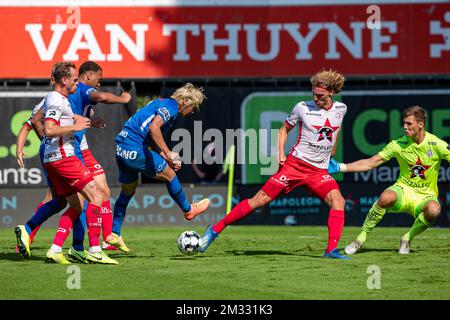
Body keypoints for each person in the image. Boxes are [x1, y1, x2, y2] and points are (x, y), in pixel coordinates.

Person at [199, 69, 350, 259]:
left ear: (331, 92)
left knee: (338, 201)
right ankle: (214, 230)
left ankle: (331, 251)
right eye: (313, 93)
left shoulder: (341, 109)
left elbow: (335, 131)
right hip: (294, 166)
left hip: (318, 172)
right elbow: (283, 130)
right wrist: (280, 154)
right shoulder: (302, 107)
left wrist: (331, 152)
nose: (315, 98)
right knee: (258, 201)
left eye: (319, 95)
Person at [15, 62, 117, 265]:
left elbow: (36, 120)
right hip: (64, 157)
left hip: (53, 158)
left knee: (71, 203)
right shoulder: (55, 100)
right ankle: (94, 249)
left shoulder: (55, 99)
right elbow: (49, 129)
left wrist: (86, 121)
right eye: (74, 79)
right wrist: (74, 127)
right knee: (96, 195)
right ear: (64, 80)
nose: (76, 82)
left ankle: (43, 240)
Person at [328, 105, 450, 255]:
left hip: (426, 195)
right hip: (403, 190)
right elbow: (371, 162)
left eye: (409, 124)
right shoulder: (398, 144)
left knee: (433, 210)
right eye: (404, 123)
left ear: (421, 124)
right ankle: (360, 238)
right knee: (386, 197)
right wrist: (341, 167)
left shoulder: (437, 144)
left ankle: (407, 238)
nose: (405, 127)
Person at [109, 83, 210, 251]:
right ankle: (188, 210)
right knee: (170, 175)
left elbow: (151, 139)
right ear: (185, 100)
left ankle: (113, 235)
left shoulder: (160, 103)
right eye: (194, 106)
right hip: (134, 149)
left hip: (121, 149)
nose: (193, 111)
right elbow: (153, 127)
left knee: (127, 192)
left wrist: (165, 156)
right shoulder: (171, 106)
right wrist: (169, 153)